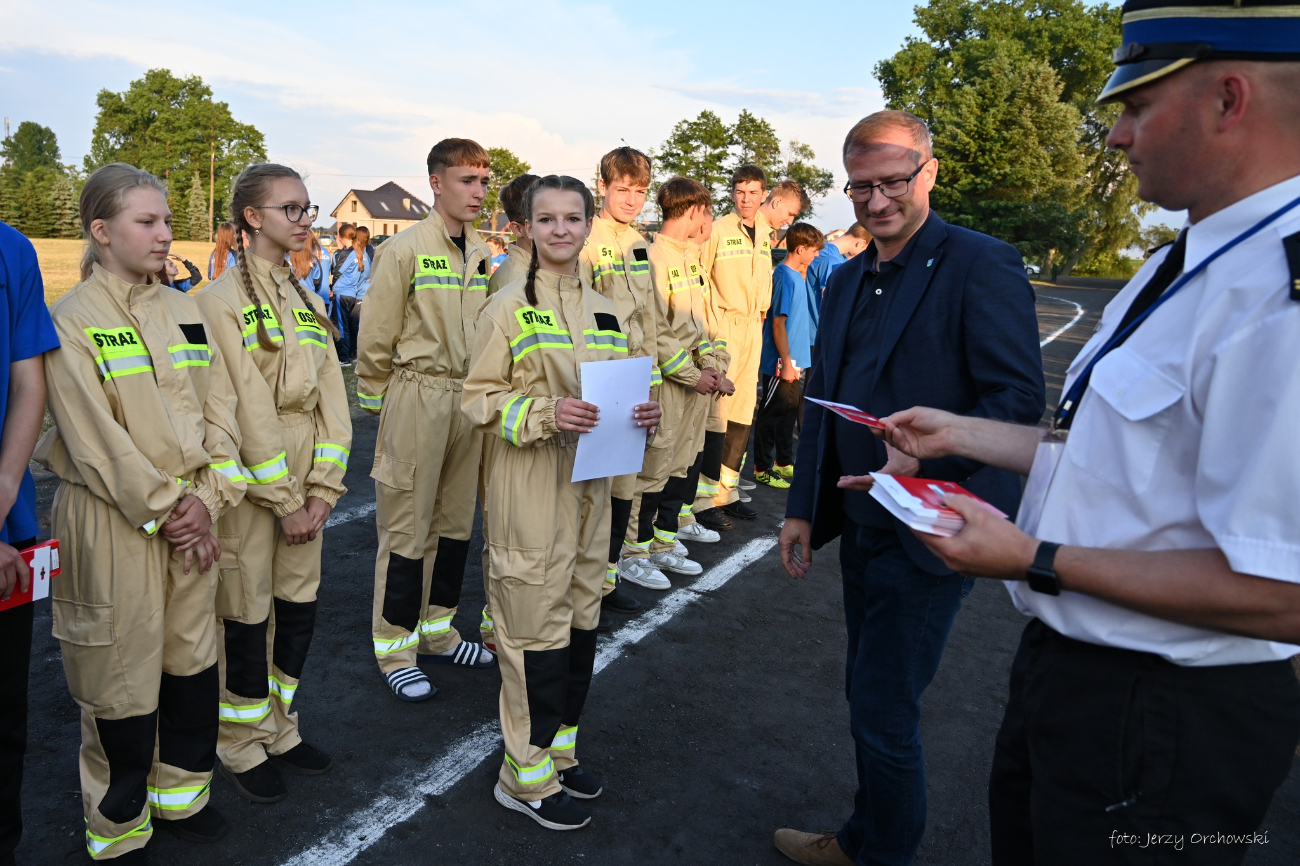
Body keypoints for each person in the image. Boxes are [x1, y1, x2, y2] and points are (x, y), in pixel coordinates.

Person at [862, 8, 1300, 864]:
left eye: (1136, 106)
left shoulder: (1277, 296)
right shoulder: (1187, 259)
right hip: (1075, 675)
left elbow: (1283, 589)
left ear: (1229, 99)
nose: (1115, 134)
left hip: (1168, 716)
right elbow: (1129, 453)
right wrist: (965, 434)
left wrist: (1034, 557)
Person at [774, 109, 1045, 866]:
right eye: (860, 187)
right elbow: (824, 398)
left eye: (893, 182)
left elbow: (1017, 400)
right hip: (861, 519)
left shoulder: (981, 262)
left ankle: (878, 852)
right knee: (868, 694)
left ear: (929, 173)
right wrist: (801, 509)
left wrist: (927, 462)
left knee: (884, 708)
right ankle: (867, 837)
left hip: (931, 527)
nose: (877, 200)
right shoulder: (846, 276)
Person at [36, 163, 246, 861]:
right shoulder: (71, 320)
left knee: (191, 660)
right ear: (101, 231)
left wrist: (207, 499)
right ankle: (119, 826)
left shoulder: (185, 310)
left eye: (166, 221)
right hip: (116, 519)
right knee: (119, 674)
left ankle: (182, 797)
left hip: (194, 514)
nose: (164, 235)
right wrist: (171, 508)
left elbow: (221, 410)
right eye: (147, 222)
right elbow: (94, 440)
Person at [461, 174, 661, 831]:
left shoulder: (606, 309)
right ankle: (523, 774)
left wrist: (643, 412)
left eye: (572, 218)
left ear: (588, 225)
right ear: (526, 227)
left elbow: (623, 388)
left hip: (592, 486)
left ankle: (559, 749)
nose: (560, 230)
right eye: (546, 219)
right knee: (532, 630)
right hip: (530, 485)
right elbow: (477, 399)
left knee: (580, 621)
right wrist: (546, 413)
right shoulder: (506, 305)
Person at [196, 164, 351, 805]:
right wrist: (287, 498)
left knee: (296, 610)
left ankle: (281, 728)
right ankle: (239, 741)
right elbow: (242, 406)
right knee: (245, 613)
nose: (305, 219)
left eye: (308, 209)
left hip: (306, 475)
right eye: (291, 209)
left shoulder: (305, 296)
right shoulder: (217, 302)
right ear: (252, 218)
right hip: (252, 481)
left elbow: (333, 398)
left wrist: (324, 489)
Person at [356, 138, 497, 703]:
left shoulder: (482, 251)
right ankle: (395, 648)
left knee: (456, 525)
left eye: (483, 181)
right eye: (467, 180)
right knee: (406, 529)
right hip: (418, 394)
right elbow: (376, 334)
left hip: (468, 399)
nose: (478, 191)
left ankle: (438, 631)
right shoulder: (405, 248)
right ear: (436, 183)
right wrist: (380, 401)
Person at [577, 147, 692, 612]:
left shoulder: (640, 243)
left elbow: (653, 318)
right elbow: (577, 315)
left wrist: (663, 374)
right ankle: (582, 590)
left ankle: (605, 583)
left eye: (640, 191)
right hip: (601, 380)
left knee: (624, 490)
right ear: (602, 187)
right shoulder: (585, 239)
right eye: (622, 189)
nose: (631, 199)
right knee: (592, 493)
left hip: (640, 381)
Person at [619, 177, 727, 577]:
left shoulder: (690, 259)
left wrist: (713, 368)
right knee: (653, 469)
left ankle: (663, 543)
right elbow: (656, 331)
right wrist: (692, 373)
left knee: (681, 466)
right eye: (706, 211)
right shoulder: (654, 258)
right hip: (670, 383)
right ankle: (634, 554)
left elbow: (703, 326)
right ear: (695, 210)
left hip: (695, 383)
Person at [694, 171, 803, 527]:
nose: (746, 199)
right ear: (733, 194)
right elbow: (700, 279)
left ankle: (726, 492)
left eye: (753, 192)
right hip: (723, 327)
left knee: (742, 412)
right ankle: (702, 499)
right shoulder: (718, 229)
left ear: (764, 194)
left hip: (753, 327)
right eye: (740, 192)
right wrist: (710, 327)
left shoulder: (765, 235)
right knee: (716, 413)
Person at [0, 221, 59, 866]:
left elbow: (27, 383)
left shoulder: (13, 250)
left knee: (4, 718)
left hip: (8, 534)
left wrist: (3, 493)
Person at [479, 172, 542, 652]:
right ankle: (495, 624)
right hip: (518, 422)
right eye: (543, 219)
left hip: (549, 422)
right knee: (507, 534)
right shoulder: (510, 280)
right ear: (520, 227)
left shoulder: (550, 275)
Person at [753, 222, 824, 490]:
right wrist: (785, 363)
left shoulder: (797, 275)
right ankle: (762, 468)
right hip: (782, 362)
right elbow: (777, 324)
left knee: (788, 412)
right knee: (771, 414)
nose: (817, 255)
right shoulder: (784, 276)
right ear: (801, 249)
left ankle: (784, 462)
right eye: (814, 250)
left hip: (795, 361)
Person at [332, 225, 371, 363]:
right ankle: (351, 354)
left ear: (341, 238)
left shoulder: (347, 254)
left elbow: (337, 272)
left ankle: (344, 358)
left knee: (341, 326)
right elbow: (365, 274)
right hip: (353, 294)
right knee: (349, 325)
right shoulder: (360, 253)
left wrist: (333, 286)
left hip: (342, 293)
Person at [806, 223, 870, 301]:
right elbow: (832, 300)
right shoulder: (831, 260)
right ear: (860, 243)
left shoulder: (827, 251)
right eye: (866, 249)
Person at [290, 233, 332, 311]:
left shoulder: (287, 256)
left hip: (293, 299)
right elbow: (317, 281)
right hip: (313, 299)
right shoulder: (315, 258)